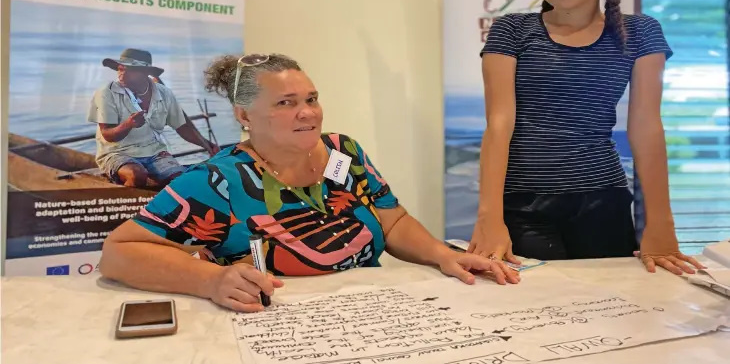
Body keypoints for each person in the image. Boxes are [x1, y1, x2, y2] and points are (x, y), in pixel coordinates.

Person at [99, 53, 520, 313]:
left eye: (311, 99)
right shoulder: (216, 180)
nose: (308, 113)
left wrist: (441, 255)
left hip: (379, 322)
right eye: (286, 103)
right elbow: (119, 253)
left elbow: (390, 221)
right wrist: (210, 281)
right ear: (244, 116)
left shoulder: (344, 152)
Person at [469, 0, 704, 276]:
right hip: (523, 204)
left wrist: (659, 222)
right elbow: (499, 124)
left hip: (603, 198)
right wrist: (489, 217)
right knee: (532, 309)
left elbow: (646, 127)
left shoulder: (640, 32)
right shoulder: (512, 30)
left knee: (613, 308)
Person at [88, 48, 219, 189]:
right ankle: (128, 206)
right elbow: (107, 134)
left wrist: (207, 145)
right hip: (115, 153)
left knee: (181, 181)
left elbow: (183, 126)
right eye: (120, 69)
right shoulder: (107, 92)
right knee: (136, 175)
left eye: (129, 70)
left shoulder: (163, 93)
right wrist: (128, 125)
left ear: (145, 73)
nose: (122, 74)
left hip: (154, 152)